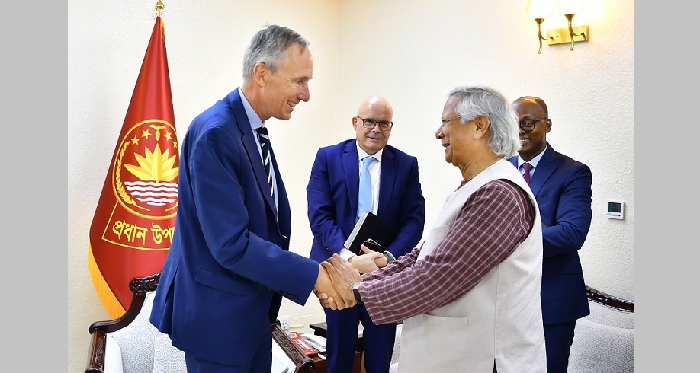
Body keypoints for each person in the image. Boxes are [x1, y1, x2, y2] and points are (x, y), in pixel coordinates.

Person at [149, 24, 348, 373]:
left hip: (251, 319)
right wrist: (314, 276)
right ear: (261, 74)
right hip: (218, 326)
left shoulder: (251, 131)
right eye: (299, 81)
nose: (306, 94)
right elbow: (231, 244)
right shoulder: (216, 133)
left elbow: (265, 229)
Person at [320, 86, 547, 373]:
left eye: (446, 122)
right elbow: (424, 256)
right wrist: (380, 267)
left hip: (485, 360)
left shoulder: (499, 194)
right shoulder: (478, 186)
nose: (439, 133)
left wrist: (356, 290)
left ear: (479, 126)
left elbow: (440, 275)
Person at [306, 95, 426, 373]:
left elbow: (413, 220)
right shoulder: (328, 157)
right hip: (337, 272)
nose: (376, 129)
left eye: (384, 123)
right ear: (355, 122)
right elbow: (320, 216)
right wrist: (349, 261)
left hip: (384, 274)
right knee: (339, 353)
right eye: (369, 121)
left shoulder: (406, 165)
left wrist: (387, 257)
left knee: (379, 356)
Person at [508, 96, 593, 373]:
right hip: (503, 301)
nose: (520, 130)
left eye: (528, 123)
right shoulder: (497, 169)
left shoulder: (573, 172)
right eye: (513, 123)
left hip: (551, 300)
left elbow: (571, 233)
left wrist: (508, 242)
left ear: (548, 125)